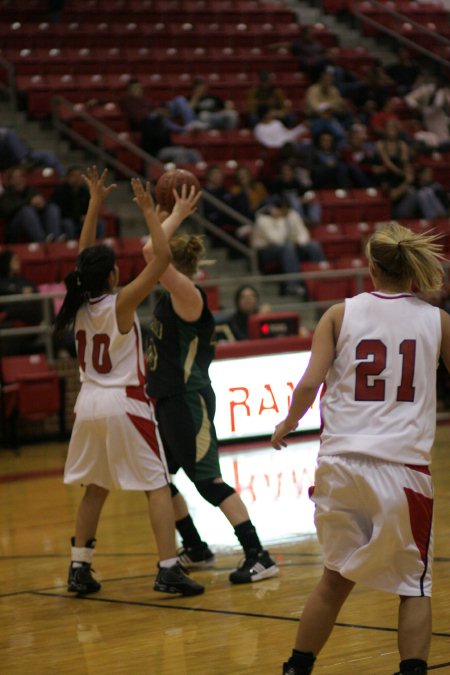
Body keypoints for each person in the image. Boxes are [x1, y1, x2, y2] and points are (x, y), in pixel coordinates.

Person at [271, 222, 450, 675]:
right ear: (410, 267)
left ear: (370, 266)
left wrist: (287, 424)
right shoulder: (438, 320)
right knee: (414, 587)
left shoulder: (339, 313)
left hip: (339, 464)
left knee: (333, 579)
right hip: (402, 469)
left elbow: (310, 384)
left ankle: (296, 668)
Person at [54, 166, 204, 597]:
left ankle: (79, 568)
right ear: (114, 277)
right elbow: (159, 259)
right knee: (157, 484)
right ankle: (168, 568)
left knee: (96, 488)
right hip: (124, 402)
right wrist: (150, 214)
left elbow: (84, 255)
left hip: (87, 405)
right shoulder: (121, 303)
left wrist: (95, 204)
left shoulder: (79, 301)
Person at [141, 207, 279, 584]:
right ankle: (196, 548)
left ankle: (259, 555)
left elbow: (150, 253)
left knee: (208, 482)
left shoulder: (188, 295)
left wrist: (175, 215)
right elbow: (153, 253)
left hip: (189, 401)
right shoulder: (169, 296)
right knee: (156, 480)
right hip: (168, 401)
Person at [251, 195, 326, 297]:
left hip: (290, 246)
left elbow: (303, 233)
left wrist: (299, 241)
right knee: (288, 249)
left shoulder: (291, 214)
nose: (287, 213)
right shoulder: (262, 219)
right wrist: (280, 220)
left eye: (287, 211)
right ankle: (292, 286)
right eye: (284, 211)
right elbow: (277, 239)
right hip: (266, 250)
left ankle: (323, 280)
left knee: (314, 246)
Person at [0, 166, 67, 243]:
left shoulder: (31, 190)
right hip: (15, 227)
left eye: (21, 176)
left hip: (37, 220)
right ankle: (42, 241)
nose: (19, 179)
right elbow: (7, 211)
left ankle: (55, 237)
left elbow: (42, 202)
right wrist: (29, 202)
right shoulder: (6, 195)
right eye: (16, 177)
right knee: (26, 211)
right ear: (10, 181)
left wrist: (42, 203)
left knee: (52, 207)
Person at [51, 165, 105, 239]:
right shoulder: (60, 191)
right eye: (74, 176)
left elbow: (90, 207)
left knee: (99, 223)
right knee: (68, 224)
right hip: (67, 220)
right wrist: (79, 218)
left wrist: (88, 216)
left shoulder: (85, 192)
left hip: (82, 221)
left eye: (79, 176)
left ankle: (98, 245)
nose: (77, 178)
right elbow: (59, 212)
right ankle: (70, 246)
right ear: (67, 177)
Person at [0, 127, 65, 176]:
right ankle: (24, 160)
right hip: (6, 159)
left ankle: (62, 175)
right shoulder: (6, 134)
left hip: (23, 156)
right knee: (9, 134)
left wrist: (20, 142)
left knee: (48, 154)